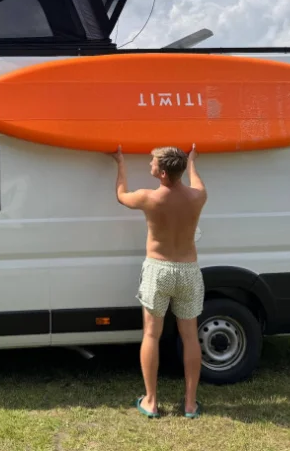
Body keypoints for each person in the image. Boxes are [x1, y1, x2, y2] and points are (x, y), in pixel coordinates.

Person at [111, 143, 207, 419]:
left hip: (159, 269)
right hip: (188, 270)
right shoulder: (198, 196)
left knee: (152, 334)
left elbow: (120, 195)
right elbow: (195, 180)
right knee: (190, 337)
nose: (149, 165)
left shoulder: (148, 198)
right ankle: (190, 404)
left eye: (153, 163)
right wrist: (193, 161)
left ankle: (151, 401)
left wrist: (119, 162)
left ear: (163, 173)